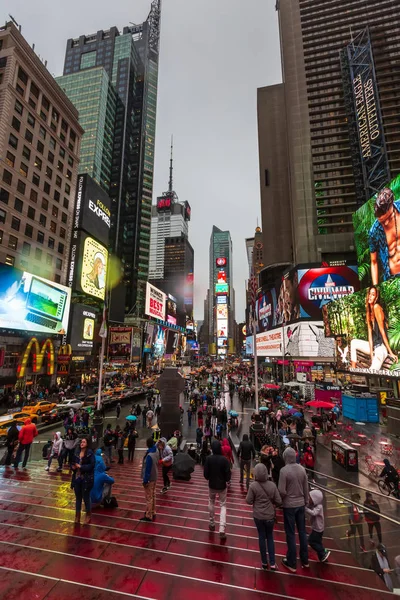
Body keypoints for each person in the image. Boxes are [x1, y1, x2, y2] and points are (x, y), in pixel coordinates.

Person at [350, 286, 398, 371]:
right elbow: (370, 335)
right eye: (369, 294)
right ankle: (353, 371)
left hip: (381, 347)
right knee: (353, 342)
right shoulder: (369, 311)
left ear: (376, 297)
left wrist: (390, 352)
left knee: (372, 371)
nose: (370, 296)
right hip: (374, 346)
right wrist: (372, 355)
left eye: (373, 294)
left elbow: (382, 331)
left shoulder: (376, 307)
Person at [278, 446, 309, 572]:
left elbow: (281, 490)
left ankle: (291, 562)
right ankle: (305, 560)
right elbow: (306, 487)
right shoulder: (302, 469)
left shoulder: (284, 471)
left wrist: (280, 501)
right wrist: (306, 501)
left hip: (289, 506)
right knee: (302, 532)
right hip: (301, 504)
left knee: (290, 533)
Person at [246, 463, 282, 570]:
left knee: (261, 537)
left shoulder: (253, 486)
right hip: (270, 516)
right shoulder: (272, 485)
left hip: (258, 516)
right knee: (270, 537)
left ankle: (263, 562)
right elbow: (279, 501)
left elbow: (248, 500)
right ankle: (272, 562)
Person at [369, 187, 400, 284]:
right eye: (382, 221)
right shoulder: (374, 232)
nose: (386, 223)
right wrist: (375, 286)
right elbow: (374, 262)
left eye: (389, 217)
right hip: (393, 279)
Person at [203, 440, 231, 540]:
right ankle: (222, 528)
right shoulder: (224, 460)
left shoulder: (208, 459)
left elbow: (206, 475)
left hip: (212, 485)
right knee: (223, 505)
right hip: (222, 486)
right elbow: (228, 476)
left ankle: (211, 523)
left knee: (211, 502)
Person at [71, 437, 95, 524]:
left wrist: (81, 467)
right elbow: (72, 462)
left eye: (84, 442)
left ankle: (88, 514)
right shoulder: (77, 452)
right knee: (78, 498)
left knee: (86, 497)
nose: (82, 443)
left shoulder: (90, 453)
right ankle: (77, 516)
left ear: (87, 444)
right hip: (77, 478)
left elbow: (92, 465)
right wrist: (73, 467)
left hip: (86, 479)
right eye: (81, 442)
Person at [305, 489, 330, 563]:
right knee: (318, 542)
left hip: (318, 529)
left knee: (311, 541)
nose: (308, 499)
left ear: (315, 499)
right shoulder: (315, 505)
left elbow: (313, 513)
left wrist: (305, 508)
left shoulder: (319, 506)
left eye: (310, 498)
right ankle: (322, 557)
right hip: (317, 528)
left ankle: (323, 551)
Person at [140, 437, 158, 522]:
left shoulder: (149, 456)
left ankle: (148, 515)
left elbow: (147, 469)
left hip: (150, 478)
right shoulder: (156, 451)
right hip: (155, 476)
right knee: (153, 495)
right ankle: (153, 511)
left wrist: (145, 480)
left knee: (149, 497)